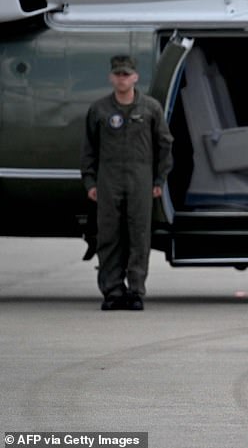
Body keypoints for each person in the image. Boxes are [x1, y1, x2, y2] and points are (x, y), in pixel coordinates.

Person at [81, 55, 174, 311]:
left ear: (135, 77)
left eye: (126, 74)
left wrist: (159, 179)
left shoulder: (150, 108)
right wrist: (90, 181)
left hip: (140, 180)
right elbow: (89, 148)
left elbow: (165, 145)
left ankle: (135, 291)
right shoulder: (99, 109)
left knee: (139, 237)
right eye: (118, 74)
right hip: (108, 180)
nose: (122, 79)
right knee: (109, 236)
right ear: (111, 77)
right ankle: (112, 291)